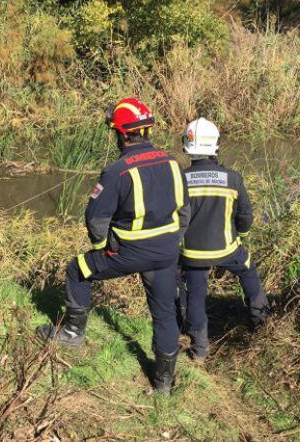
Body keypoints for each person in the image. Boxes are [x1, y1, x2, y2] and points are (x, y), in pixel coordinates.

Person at [37, 97, 190, 394]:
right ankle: (164, 382)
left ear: (121, 133)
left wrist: (101, 247)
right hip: (166, 253)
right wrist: (172, 240)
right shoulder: (173, 163)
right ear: (145, 131)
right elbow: (184, 210)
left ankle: (72, 333)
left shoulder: (117, 170)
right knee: (164, 313)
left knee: (78, 269)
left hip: (128, 252)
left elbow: (96, 218)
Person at [178, 117, 270, 361]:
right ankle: (261, 324)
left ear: (187, 147)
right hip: (228, 249)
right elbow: (245, 216)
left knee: (196, 295)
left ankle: (199, 351)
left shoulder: (179, 180)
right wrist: (243, 234)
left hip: (193, 254)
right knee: (249, 271)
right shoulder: (233, 178)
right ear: (216, 145)